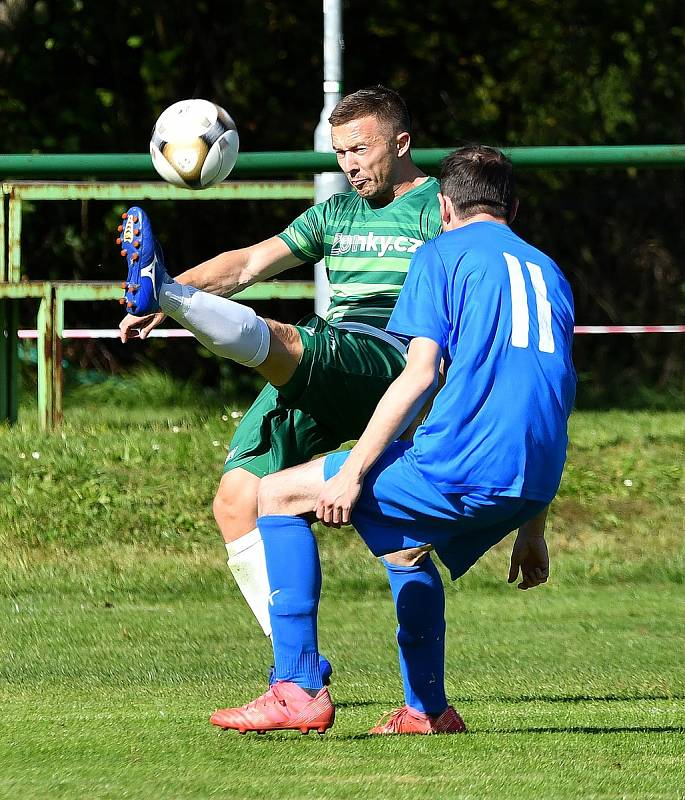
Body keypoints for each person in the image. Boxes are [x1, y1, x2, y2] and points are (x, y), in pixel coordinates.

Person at [207, 144, 577, 735]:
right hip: (534, 475)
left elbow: (419, 374)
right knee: (404, 546)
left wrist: (352, 472)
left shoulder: (440, 254)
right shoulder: (547, 270)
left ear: (447, 206)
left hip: (463, 462)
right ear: (514, 206)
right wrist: (532, 522)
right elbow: (550, 391)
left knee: (276, 494)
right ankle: (427, 711)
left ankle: (296, 688)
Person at [117, 86, 443, 685]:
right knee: (237, 499)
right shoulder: (336, 213)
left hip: (392, 361)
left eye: (360, 150)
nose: (348, 165)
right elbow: (245, 265)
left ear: (400, 145)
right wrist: (171, 304)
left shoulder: (440, 209)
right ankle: (298, 671)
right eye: (340, 151)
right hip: (332, 357)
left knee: (288, 341)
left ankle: (164, 287)